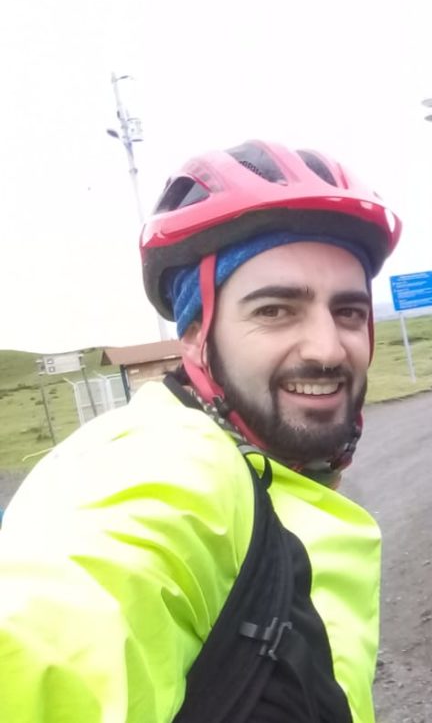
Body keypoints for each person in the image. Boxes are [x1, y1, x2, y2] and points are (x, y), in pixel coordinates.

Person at [0, 140, 401, 722]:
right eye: (275, 310)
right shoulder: (166, 466)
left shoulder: (267, 474)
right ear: (194, 336)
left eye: (349, 312)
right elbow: (50, 635)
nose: (327, 348)